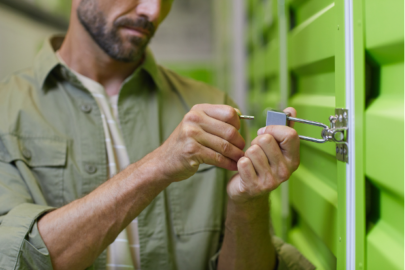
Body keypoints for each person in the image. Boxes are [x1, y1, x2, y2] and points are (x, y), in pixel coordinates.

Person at [0, 1, 315, 269]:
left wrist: (248, 205)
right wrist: (159, 166)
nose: (152, 11)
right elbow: (14, 259)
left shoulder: (217, 108)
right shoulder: (6, 112)